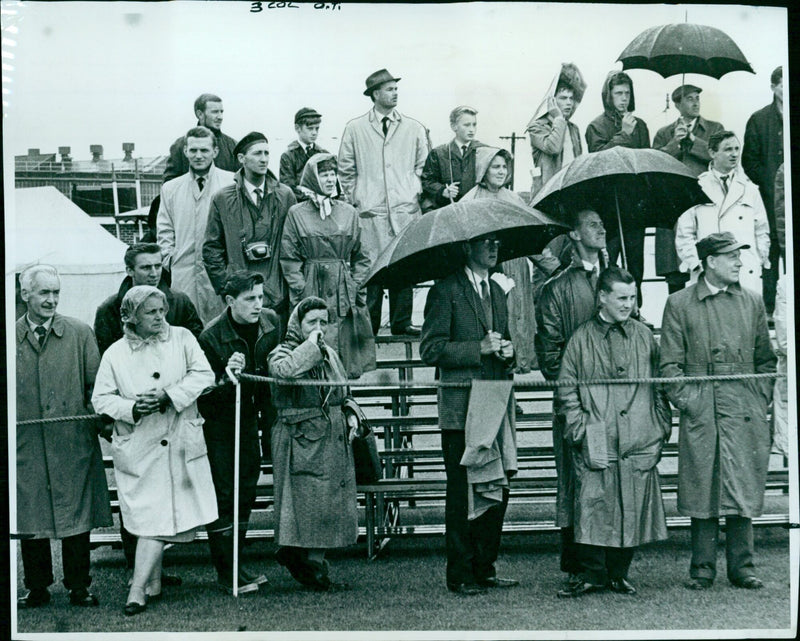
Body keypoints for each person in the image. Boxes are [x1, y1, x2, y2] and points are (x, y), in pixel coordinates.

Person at [660, 231, 776, 591]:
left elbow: (765, 361)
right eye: (732, 257)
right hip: (704, 410)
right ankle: (702, 569)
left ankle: (743, 567)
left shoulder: (753, 302)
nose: (740, 262)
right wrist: (692, 404)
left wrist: (757, 398)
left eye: (740, 256)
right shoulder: (679, 304)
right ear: (710, 262)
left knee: (741, 485)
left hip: (743, 409)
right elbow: (669, 368)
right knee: (703, 488)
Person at [91, 286, 218, 615]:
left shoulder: (183, 338)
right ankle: (147, 584)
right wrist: (133, 408)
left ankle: (140, 589)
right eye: (151, 312)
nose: (160, 317)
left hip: (180, 440)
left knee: (163, 516)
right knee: (151, 516)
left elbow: (204, 375)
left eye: (162, 310)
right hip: (140, 445)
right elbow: (101, 399)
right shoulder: (115, 354)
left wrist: (168, 396)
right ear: (131, 316)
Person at [557, 266, 671, 597]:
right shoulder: (580, 339)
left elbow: (661, 388)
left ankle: (620, 573)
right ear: (602, 298)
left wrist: (660, 428)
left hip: (638, 439)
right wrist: (580, 432)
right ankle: (593, 574)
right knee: (593, 506)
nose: (628, 304)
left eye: (632, 297)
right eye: (621, 297)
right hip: (596, 438)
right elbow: (566, 393)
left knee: (631, 508)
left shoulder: (643, 335)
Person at [420, 233, 518, 595]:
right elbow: (430, 349)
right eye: (486, 242)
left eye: (497, 242)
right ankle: (460, 573)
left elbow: (507, 344)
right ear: (467, 247)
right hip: (461, 408)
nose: (494, 248)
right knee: (462, 492)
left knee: (497, 487)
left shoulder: (496, 291)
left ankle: (485, 567)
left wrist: (509, 352)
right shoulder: (445, 290)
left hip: (494, 402)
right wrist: (478, 348)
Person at [16, 264, 112, 609]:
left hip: (71, 444)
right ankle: (37, 587)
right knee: (30, 516)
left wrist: (100, 424)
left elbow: (96, 389)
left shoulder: (80, 333)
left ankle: (78, 586)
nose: (51, 300)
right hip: (26, 448)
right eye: (44, 292)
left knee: (76, 516)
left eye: (56, 292)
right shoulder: (11, 338)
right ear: (25, 293)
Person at [534, 209, 607, 591]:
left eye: (602, 224)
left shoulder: (616, 278)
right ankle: (579, 566)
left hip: (615, 403)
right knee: (577, 482)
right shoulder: (556, 288)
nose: (602, 229)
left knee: (611, 480)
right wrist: (577, 388)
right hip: (575, 403)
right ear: (575, 235)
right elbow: (549, 357)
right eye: (593, 224)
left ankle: (611, 567)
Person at [197, 271, 282, 594]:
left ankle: (237, 564)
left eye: (261, 297)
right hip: (221, 425)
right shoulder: (211, 337)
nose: (258, 305)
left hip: (254, 420)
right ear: (230, 301)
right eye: (250, 299)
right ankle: (226, 570)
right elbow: (204, 394)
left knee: (246, 491)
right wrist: (226, 375)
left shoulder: (272, 322)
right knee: (224, 495)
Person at [268, 296, 359, 591]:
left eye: (324, 322)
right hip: (300, 439)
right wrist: (311, 346)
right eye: (312, 322)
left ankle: (313, 563)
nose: (319, 327)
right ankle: (304, 560)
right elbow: (284, 372)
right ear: (298, 323)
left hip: (333, 438)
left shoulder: (331, 353)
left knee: (328, 505)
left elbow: (343, 393)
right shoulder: (282, 351)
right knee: (306, 504)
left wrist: (351, 414)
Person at [338, 68, 429, 336]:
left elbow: (423, 166)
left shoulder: (413, 127)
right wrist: (359, 198)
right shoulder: (355, 128)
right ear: (375, 94)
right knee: (371, 270)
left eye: (396, 88)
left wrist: (412, 191)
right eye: (389, 89)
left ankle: (402, 321)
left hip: (404, 210)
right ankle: (371, 325)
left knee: (404, 264)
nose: (395, 92)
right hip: (370, 212)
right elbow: (346, 169)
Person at [280, 153, 376, 379]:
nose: (330, 179)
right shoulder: (297, 213)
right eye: (324, 175)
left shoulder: (348, 212)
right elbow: (289, 258)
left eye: (333, 174)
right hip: (312, 284)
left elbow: (363, 255)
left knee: (345, 354)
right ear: (313, 179)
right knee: (314, 349)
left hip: (344, 289)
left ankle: (347, 404)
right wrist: (302, 290)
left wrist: (356, 285)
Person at [203, 131, 296, 330]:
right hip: (240, 301)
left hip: (278, 296)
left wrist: (289, 287)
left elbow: (295, 245)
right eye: (257, 154)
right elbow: (211, 249)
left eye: (266, 153)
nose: (264, 159)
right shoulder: (222, 199)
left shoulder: (285, 195)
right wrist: (227, 287)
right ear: (241, 159)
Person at [460, 146, 537, 374]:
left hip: (515, 267)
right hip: (486, 267)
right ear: (484, 169)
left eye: (504, 166)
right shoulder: (470, 199)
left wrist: (552, 265)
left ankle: (512, 377)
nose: (501, 171)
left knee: (515, 320)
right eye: (496, 166)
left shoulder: (513, 198)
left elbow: (527, 235)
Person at [674, 130, 770, 294]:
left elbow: (761, 229)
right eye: (727, 149)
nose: (734, 154)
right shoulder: (697, 187)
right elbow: (684, 234)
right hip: (710, 273)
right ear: (712, 153)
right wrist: (695, 264)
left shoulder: (750, 189)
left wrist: (759, 259)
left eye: (736, 149)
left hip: (745, 270)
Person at [158, 126, 236, 325]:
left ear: (215, 152)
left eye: (204, 150)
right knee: (185, 327)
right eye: (193, 150)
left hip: (220, 274)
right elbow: (164, 229)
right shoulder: (171, 188)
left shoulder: (231, 183)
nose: (198, 155)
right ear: (185, 151)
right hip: (183, 274)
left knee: (220, 329)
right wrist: (170, 258)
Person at [585, 71, 650, 306]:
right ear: (608, 96)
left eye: (627, 93)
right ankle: (605, 308)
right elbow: (598, 159)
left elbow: (645, 161)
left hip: (633, 205)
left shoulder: (640, 125)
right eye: (618, 93)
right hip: (607, 206)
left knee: (636, 263)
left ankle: (634, 310)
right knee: (608, 261)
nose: (623, 98)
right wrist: (623, 134)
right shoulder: (596, 126)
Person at [653, 85, 725, 294]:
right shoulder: (663, 133)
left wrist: (693, 140)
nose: (695, 103)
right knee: (675, 268)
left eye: (697, 98)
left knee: (706, 259)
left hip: (703, 201)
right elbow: (656, 163)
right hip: (673, 204)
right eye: (689, 99)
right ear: (677, 105)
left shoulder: (714, 129)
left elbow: (717, 156)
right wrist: (675, 142)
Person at [94, 243, 203, 356]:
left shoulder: (181, 302)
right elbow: (106, 355)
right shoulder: (109, 308)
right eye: (146, 267)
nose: (154, 274)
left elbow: (196, 348)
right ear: (129, 270)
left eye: (158, 266)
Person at [742, 66, 783, 314]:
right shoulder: (759, 119)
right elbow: (750, 161)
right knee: (769, 255)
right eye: (782, 84)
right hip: (769, 201)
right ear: (773, 87)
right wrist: (770, 182)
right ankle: (768, 310)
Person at [526, 63, 586, 196]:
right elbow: (553, 148)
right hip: (547, 194)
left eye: (571, 98)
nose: (569, 103)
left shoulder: (573, 129)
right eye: (563, 98)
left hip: (570, 191)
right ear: (552, 101)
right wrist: (558, 118)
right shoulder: (537, 127)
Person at [420, 105, 486, 210]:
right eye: (467, 125)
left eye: (474, 125)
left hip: (477, 209)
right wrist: (442, 191)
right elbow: (427, 181)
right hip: (448, 210)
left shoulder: (483, 151)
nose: (472, 129)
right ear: (454, 126)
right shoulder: (438, 153)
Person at [163, 93, 238, 182]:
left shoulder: (234, 146)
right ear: (200, 114)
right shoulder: (180, 145)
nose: (220, 117)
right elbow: (170, 185)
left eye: (221, 112)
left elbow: (240, 182)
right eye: (215, 112)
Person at [279, 107, 329, 202]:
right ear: (297, 128)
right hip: (299, 207)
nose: (314, 133)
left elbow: (333, 185)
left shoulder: (324, 154)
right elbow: (288, 189)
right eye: (310, 128)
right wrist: (314, 196)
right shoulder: (288, 156)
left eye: (317, 129)